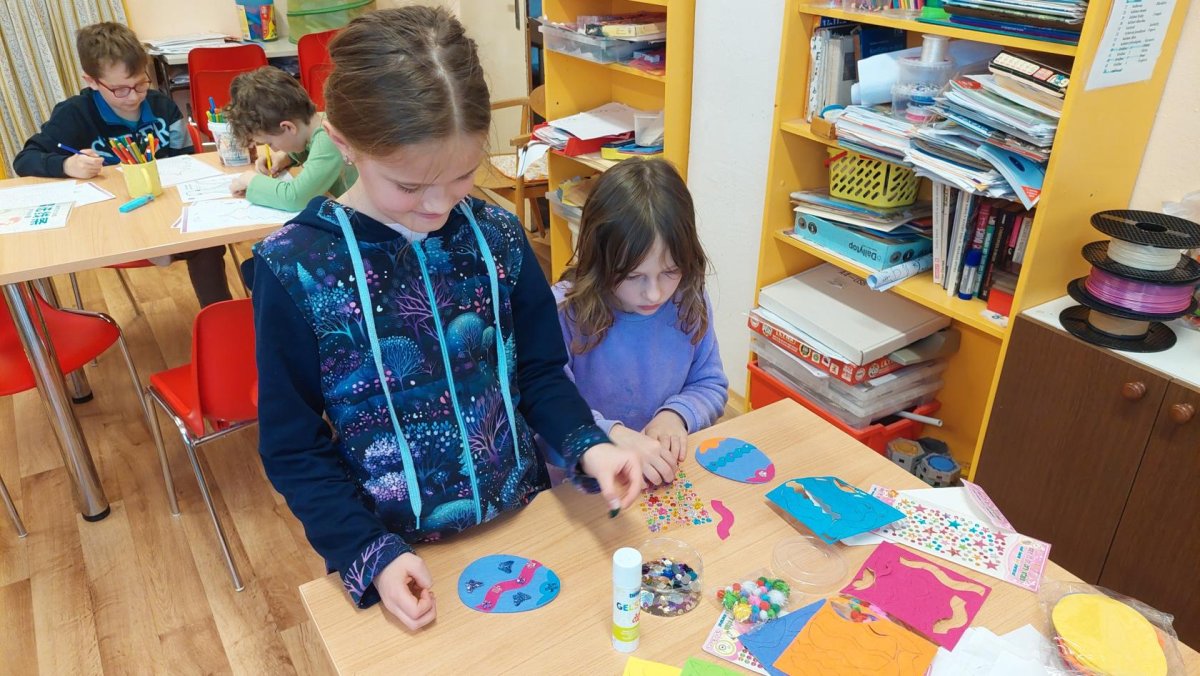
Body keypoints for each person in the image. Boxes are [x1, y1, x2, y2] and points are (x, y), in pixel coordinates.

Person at [250, 6, 646, 631]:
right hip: (397, 556)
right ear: (342, 143)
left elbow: (539, 373)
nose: (437, 206)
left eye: (462, 176)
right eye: (408, 186)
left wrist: (587, 444)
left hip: (525, 522)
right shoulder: (294, 268)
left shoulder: (498, 236)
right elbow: (293, 445)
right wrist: (367, 552)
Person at [12, 22, 231, 307]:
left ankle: (218, 314)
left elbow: (187, 160)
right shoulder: (75, 113)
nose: (134, 96)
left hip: (167, 209)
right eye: (120, 90)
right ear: (92, 81)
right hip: (111, 221)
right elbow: (25, 159)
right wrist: (67, 165)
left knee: (208, 243)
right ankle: (153, 244)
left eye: (140, 84)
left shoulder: (162, 106)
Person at [554, 158, 729, 486]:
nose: (654, 293)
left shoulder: (688, 299)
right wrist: (609, 436)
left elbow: (710, 383)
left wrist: (676, 415)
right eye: (634, 276)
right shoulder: (565, 311)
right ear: (599, 260)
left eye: (670, 271)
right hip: (587, 485)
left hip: (662, 478)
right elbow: (547, 416)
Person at [223, 66, 358, 211]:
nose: (274, 149)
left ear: (288, 127)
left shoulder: (328, 137)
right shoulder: (320, 123)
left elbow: (295, 198)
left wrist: (250, 180)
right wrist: (286, 157)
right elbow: (311, 148)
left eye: (270, 143)